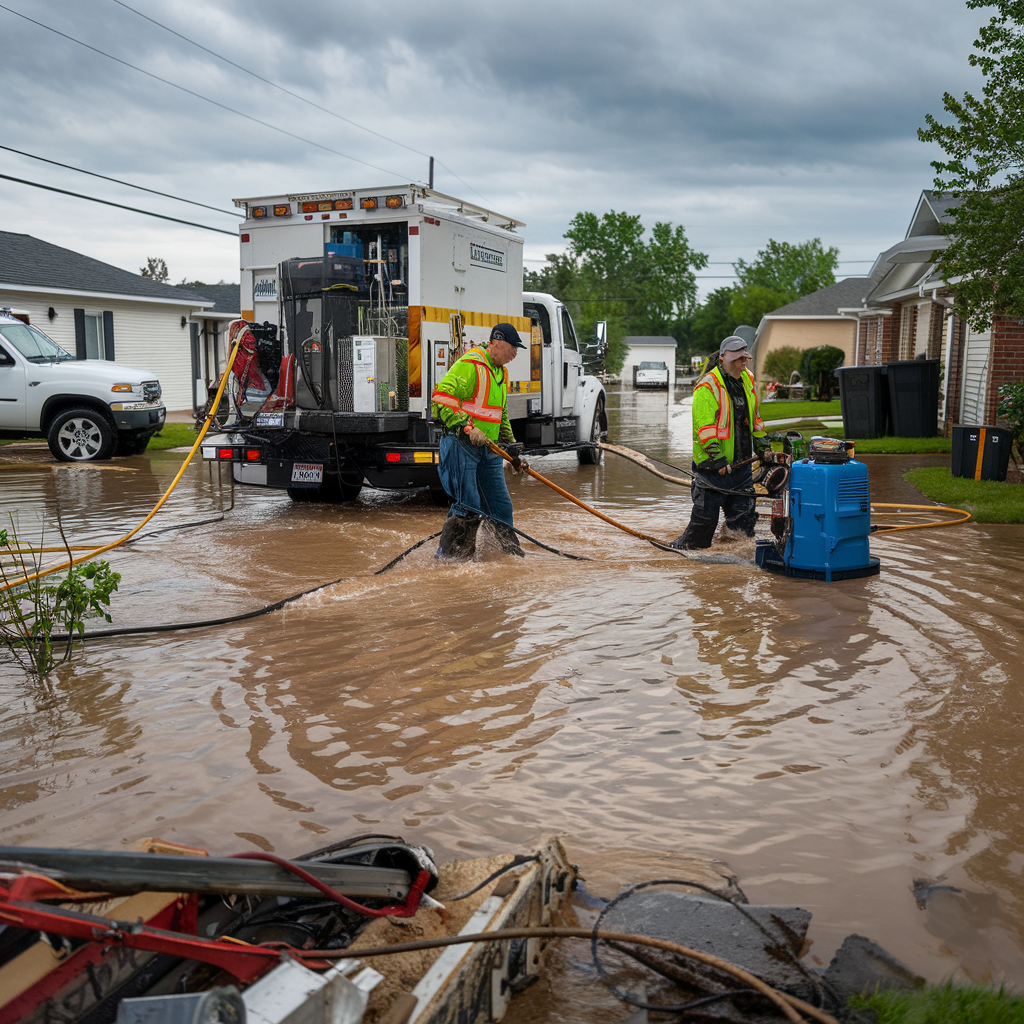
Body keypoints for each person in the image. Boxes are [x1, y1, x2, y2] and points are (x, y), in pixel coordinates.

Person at [671, 335, 769, 549]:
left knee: (743, 530)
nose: (742, 363)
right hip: (712, 470)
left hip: (741, 469)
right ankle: (685, 553)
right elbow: (704, 428)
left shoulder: (748, 380)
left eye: (744, 359)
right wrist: (717, 457)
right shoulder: (707, 386)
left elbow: (755, 420)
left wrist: (763, 447)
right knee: (702, 529)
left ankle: (734, 564)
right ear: (723, 358)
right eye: (737, 360)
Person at [431, 322, 528, 530]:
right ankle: (452, 559)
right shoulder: (470, 364)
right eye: (514, 348)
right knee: (468, 508)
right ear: (498, 343)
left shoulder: (502, 374)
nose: (515, 353)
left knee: (501, 508)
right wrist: (467, 427)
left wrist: (512, 450)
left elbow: (500, 416)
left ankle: (505, 557)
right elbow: (440, 398)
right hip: (461, 445)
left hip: (489, 449)